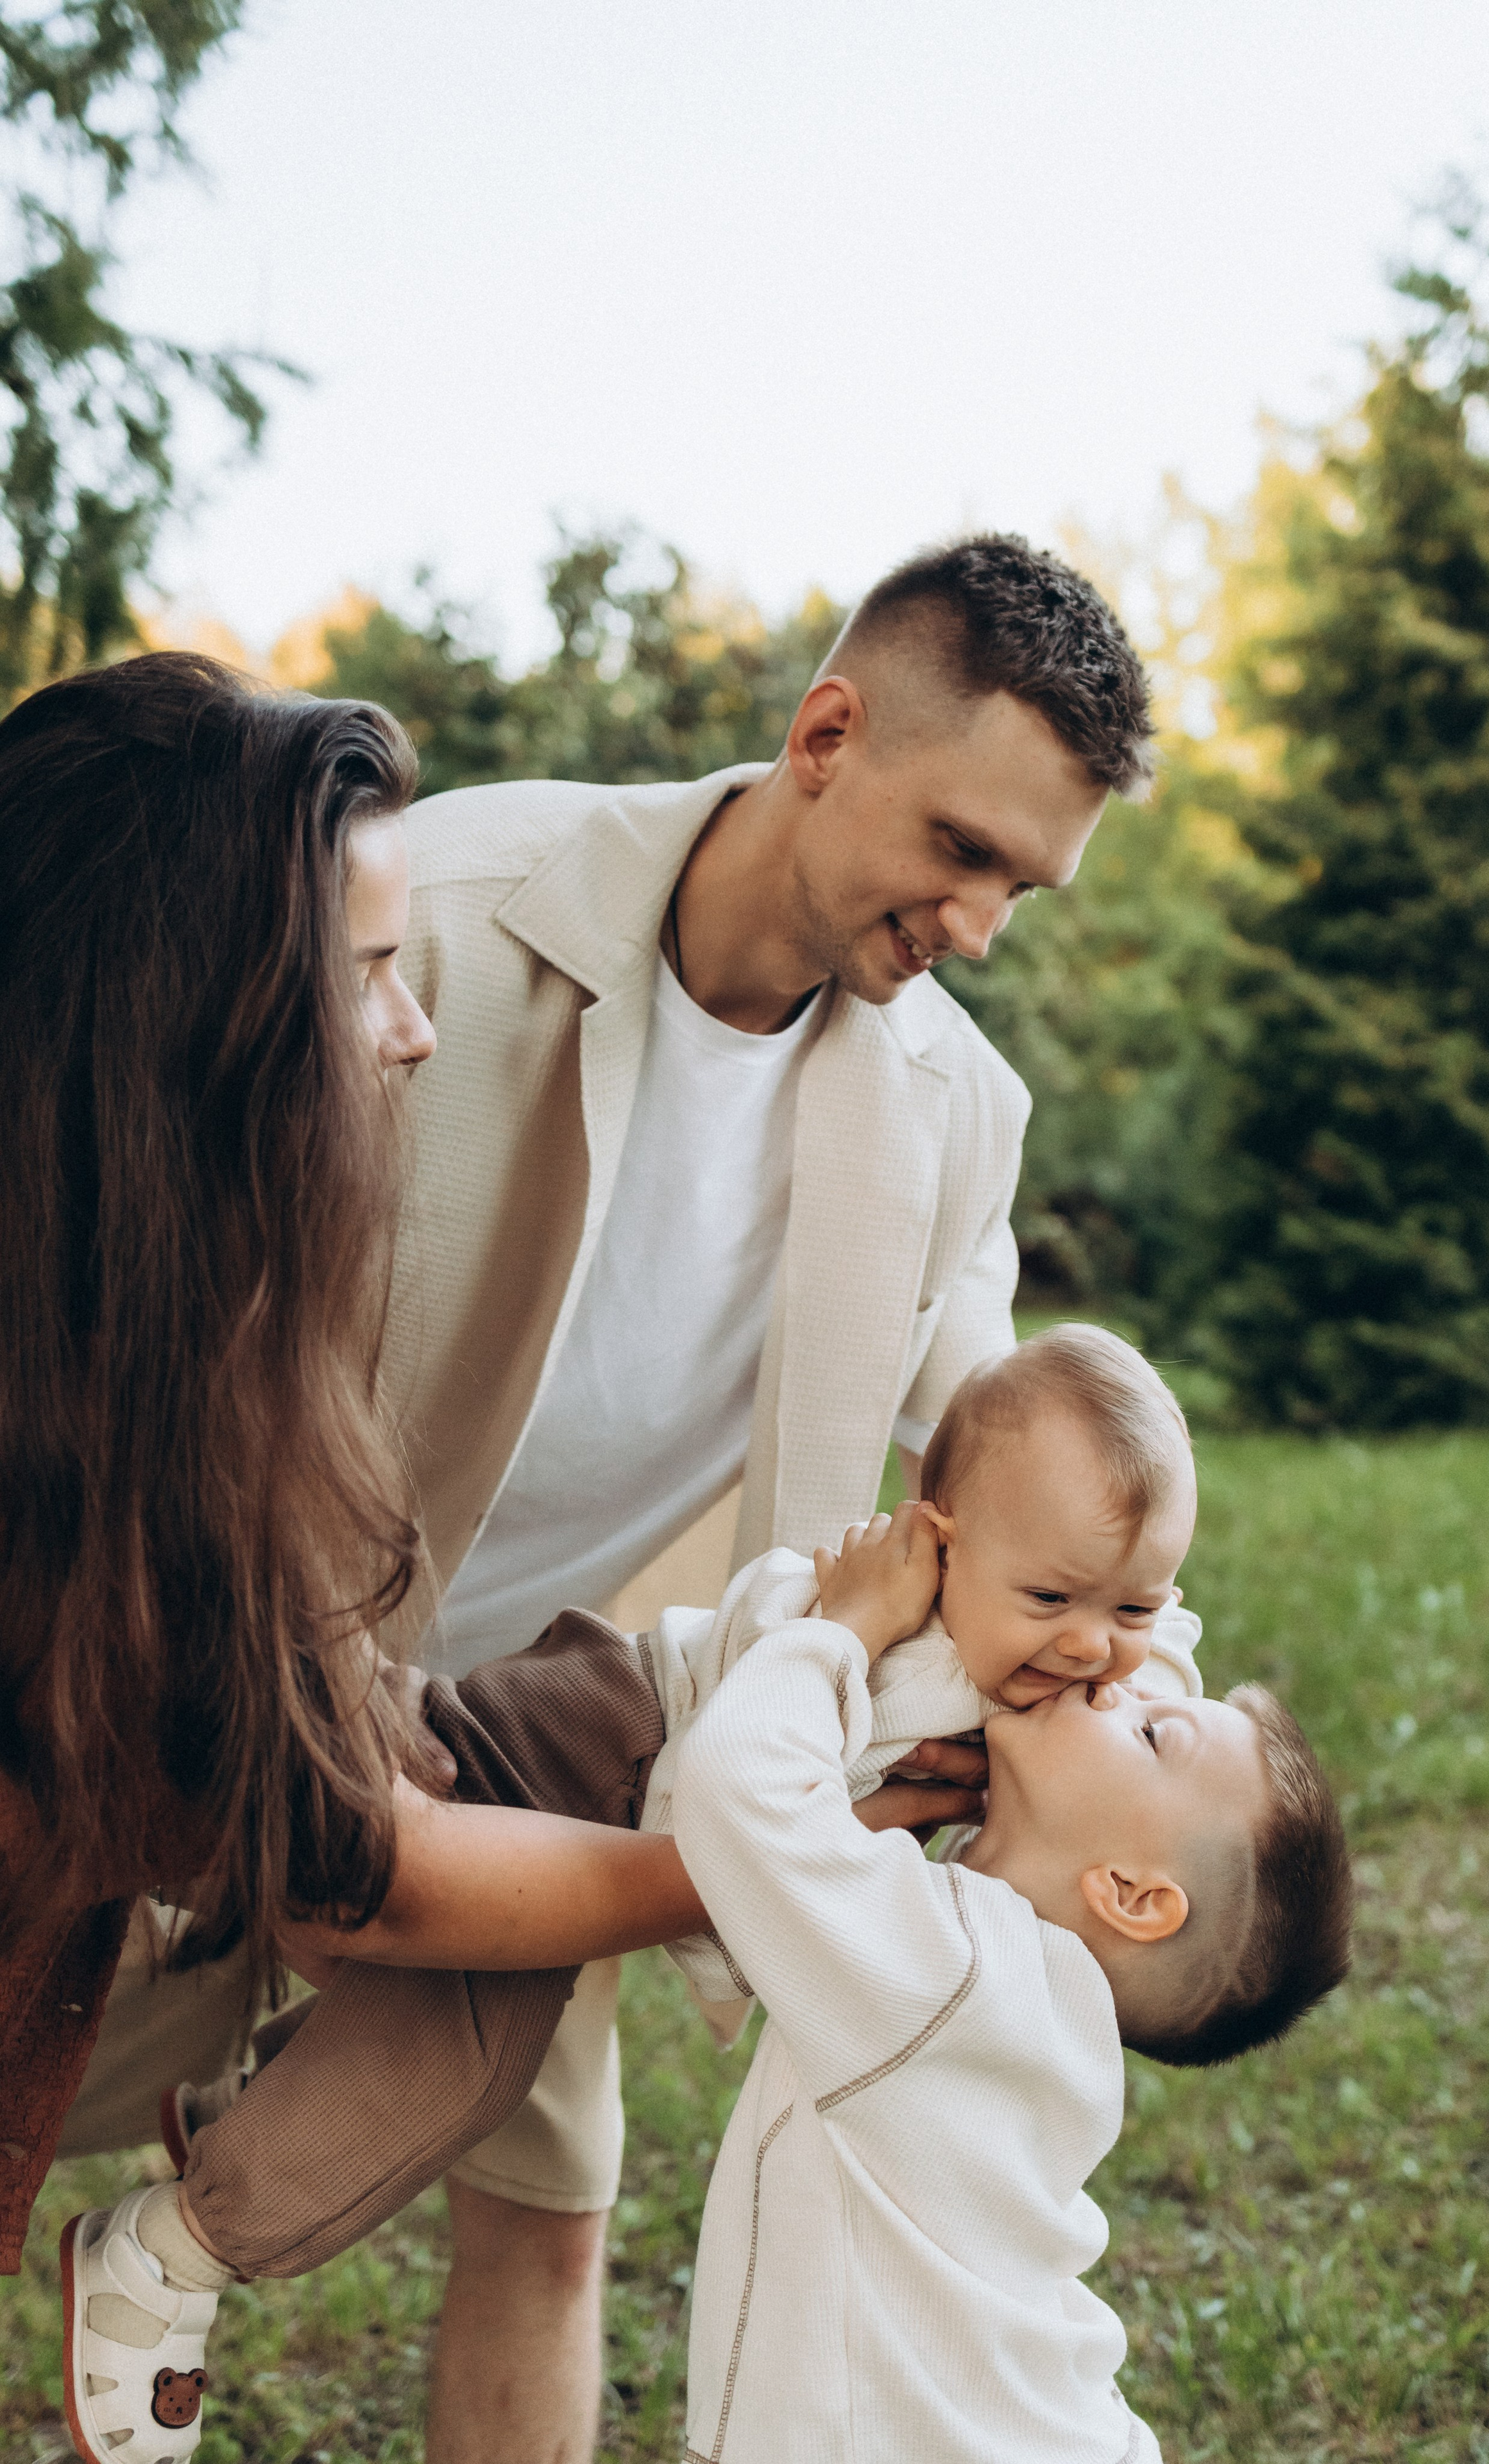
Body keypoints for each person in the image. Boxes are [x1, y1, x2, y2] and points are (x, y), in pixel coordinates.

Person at [67, 533, 1157, 2464]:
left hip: (560, 1706)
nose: (982, 925)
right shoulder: (441, 922)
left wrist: (1111, 1634)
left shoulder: (955, 1115)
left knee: (556, 2218)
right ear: (827, 732)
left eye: (1030, 887)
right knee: (43, 2033)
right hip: (223, 1635)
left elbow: (986, 1455)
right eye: (964, 851)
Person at [86, 1325, 1347, 2461]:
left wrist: (1091, 1614)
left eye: (1135, 1644)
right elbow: (748, 1787)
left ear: (1129, 1893)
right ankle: (178, 2235)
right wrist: (849, 1626)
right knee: (451, 2020)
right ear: (939, 1535)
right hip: (593, 1752)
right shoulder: (937, 1701)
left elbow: (1113, 1619)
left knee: (459, 2019)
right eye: (1067, 1608)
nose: (1108, 1662)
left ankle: (230, 2033)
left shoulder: (959, 1957)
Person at [0, 653, 717, 2329]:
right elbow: (354, 1869)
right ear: (195, 1023)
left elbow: (311, 1797)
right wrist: (746, 1874)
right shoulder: (126, 1418)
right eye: (371, 975)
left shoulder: (120, 1345)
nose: (412, 1032)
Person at [674, 1517, 1354, 2460]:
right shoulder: (1028, 1990)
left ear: (1128, 1893)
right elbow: (1157, 1674)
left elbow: (736, 1785)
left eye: (1150, 1730)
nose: (1110, 1683)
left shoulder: (949, 1975)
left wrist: (848, 1628)